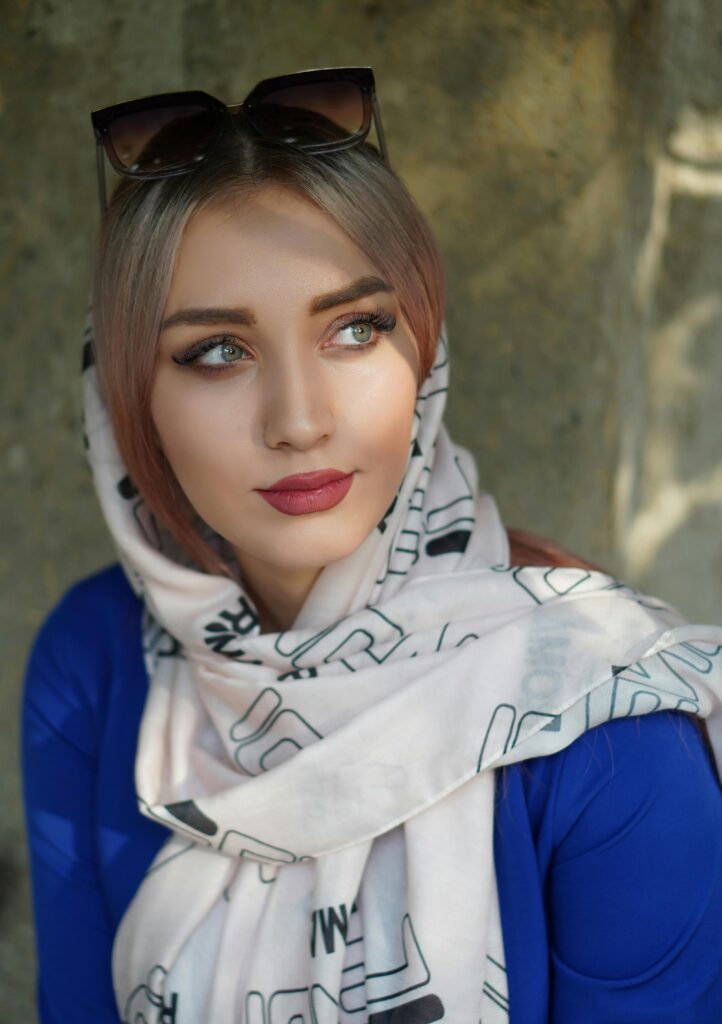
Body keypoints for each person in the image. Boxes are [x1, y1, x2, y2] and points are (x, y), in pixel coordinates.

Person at [22, 66, 722, 1024]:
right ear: (127, 397)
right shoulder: (95, 661)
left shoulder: (608, 736)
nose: (300, 420)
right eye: (217, 351)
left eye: (355, 328)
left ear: (424, 352)